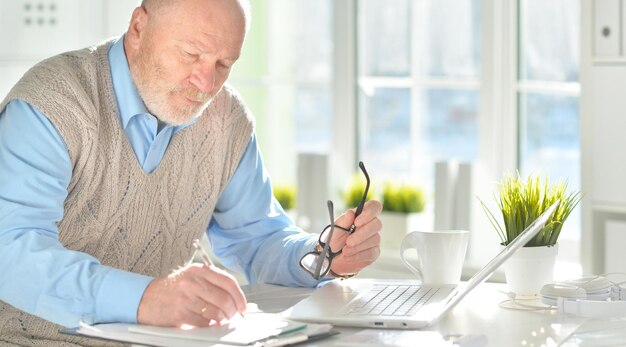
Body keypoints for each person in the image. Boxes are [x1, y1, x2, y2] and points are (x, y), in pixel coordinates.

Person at [0, 0, 383, 345]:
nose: (206, 83)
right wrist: (145, 299)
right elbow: (11, 252)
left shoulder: (227, 120)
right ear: (138, 28)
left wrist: (321, 256)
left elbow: (257, 239)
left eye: (223, 65)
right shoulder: (52, 104)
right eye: (191, 54)